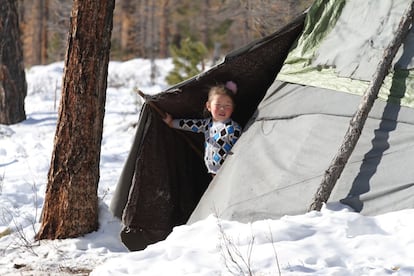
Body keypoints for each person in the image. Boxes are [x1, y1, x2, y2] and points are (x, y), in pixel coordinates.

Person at [163, 81, 242, 176]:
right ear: (209, 106)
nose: (222, 109)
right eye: (218, 105)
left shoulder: (233, 128)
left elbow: (241, 150)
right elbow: (191, 125)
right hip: (213, 173)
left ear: (233, 108)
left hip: (229, 172)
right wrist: (172, 123)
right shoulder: (207, 124)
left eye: (227, 106)